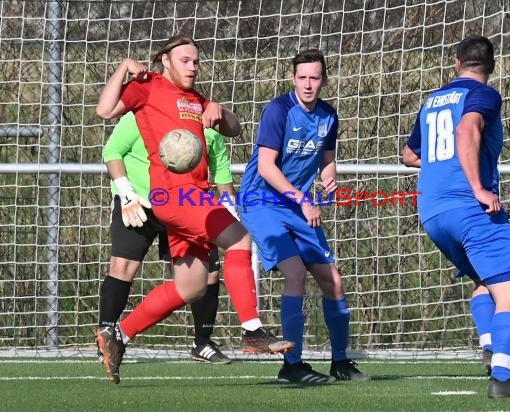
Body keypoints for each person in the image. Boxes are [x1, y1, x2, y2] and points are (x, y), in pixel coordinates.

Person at [95, 34, 294, 384]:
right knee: (240, 240)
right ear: (165, 62)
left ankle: (119, 337)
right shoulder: (149, 87)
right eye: (185, 60)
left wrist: (221, 111)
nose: (193, 66)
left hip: (194, 196)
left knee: (191, 287)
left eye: (196, 61)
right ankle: (252, 330)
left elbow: (234, 129)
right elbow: (104, 110)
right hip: (173, 195)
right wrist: (124, 68)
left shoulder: (196, 99)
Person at [402, 35, 510, 398]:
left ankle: (492, 348)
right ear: (491, 67)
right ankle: (502, 380)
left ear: (455, 63)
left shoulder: (432, 102)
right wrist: (479, 187)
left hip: (432, 212)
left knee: (482, 279)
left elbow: (408, 155)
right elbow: (466, 130)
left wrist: (443, 164)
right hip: (468, 207)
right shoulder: (483, 95)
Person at [239, 49, 368, 384]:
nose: (308, 84)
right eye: (302, 78)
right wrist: (304, 200)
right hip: (261, 201)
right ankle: (291, 366)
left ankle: (340, 362)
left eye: (314, 77)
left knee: (333, 280)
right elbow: (267, 167)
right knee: (295, 273)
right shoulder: (279, 110)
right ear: (293, 79)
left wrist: (330, 179)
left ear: (324, 79)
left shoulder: (328, 116)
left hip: (297, 206)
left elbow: (326, 159)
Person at [99, 111, 239, 365]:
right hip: (138, 202)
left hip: (186, 206)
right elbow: (112, 152)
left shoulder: (207, 125)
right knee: (123, 267)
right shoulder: (142, 115)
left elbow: (221, 172)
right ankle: (107, 337)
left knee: (207, 274)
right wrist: (126, 192)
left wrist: (229, 209)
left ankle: (202, 343)